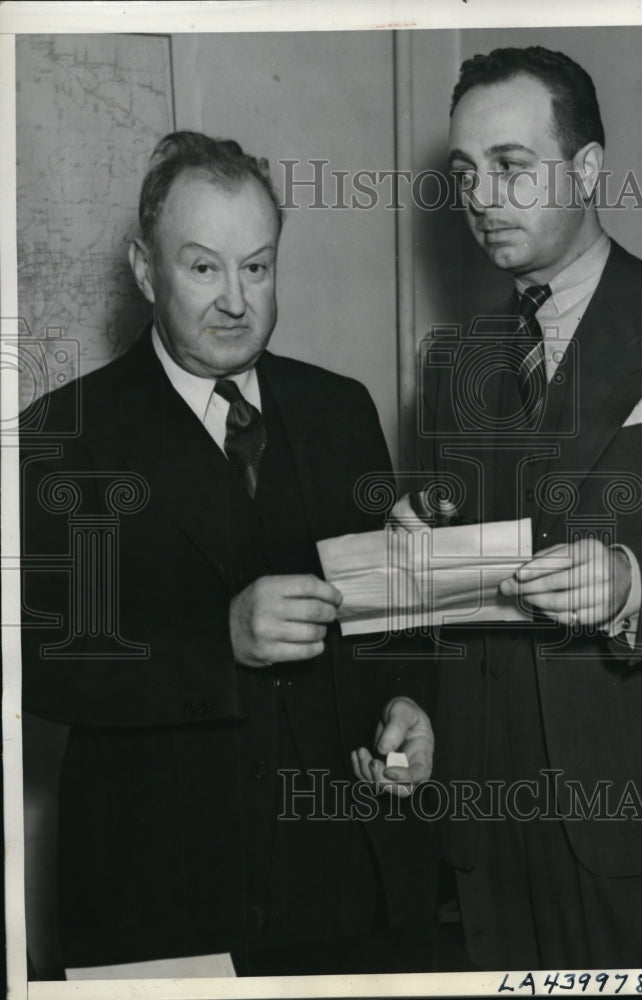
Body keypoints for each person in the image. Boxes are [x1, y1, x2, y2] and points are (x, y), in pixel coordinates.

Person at [357, 46, 642, 970]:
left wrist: (634, 578)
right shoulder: (453, 364)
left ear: (587, 169)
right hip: (484, 820)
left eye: (511, 167)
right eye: (465, 174)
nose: (482, 198)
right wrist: (419, 684)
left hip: (639, 812)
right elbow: (457, 594)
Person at [20, 131, 437, 977]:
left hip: (344, 888)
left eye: (257, 266)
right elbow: (38, 667)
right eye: (203, 267)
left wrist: (408, 703)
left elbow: (389, 626)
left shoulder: (341, 410)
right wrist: (222, 642)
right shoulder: (63, 436)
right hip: (159, 900)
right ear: (145, 271)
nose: (236, 301)